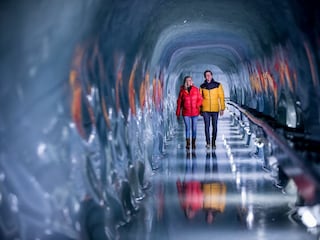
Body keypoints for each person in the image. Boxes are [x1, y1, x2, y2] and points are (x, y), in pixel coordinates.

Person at [200, 70, 225, 149]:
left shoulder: (218, 85)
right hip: (205, 109)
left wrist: (222, 108)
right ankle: (208, 142)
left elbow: (221, 97)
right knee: (206, 126)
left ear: (212, 75)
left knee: (215, 126)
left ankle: (213, 142)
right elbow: (199, 98)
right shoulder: (202, 86)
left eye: (209, 75)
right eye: (206, 75)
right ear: (204, 76)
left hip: (215, 109)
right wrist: (200, 109)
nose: (208, 77)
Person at [176, 76, 203, 149]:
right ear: (185, 82)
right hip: (186, 112)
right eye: (188, 80)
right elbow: (179, 103)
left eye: (190, 80)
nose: (189, 82)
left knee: (194, 128)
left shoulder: (195, 90)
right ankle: (188, 143)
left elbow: (200, 99)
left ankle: (193, 143)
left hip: (195, 112)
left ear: (192, 82)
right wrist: (178, 113)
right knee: (187, 128)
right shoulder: (182, 91)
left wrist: (197, 105)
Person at [202, 151, 226, 224]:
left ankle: (209, 153)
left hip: (207, 184)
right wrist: (223, 186)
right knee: (215, 168)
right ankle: (214, 153)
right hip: (216, 185)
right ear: (213, 218)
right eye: (210, 219)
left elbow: (201, 196)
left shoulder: (203, 208)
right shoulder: (219, 208)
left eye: (208, 218)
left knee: (207, 167)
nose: (209, 217)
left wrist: (201, 186)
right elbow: (223, 197)